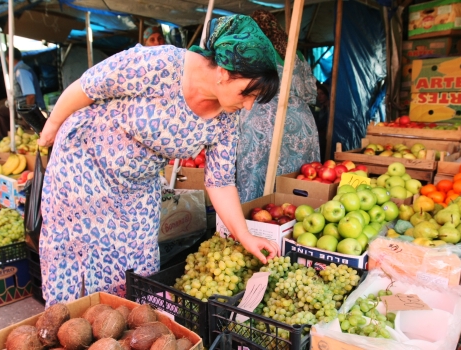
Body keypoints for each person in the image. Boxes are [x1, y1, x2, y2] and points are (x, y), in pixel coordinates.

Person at [36, 15, 280, 306]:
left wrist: (245, 235)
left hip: (136, 188)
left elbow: (221, 180)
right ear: (225, 73)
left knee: (135, 268)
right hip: (84, 167)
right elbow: (87, 88)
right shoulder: (158, 64)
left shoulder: (227, 119)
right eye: (248, 93)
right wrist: (51, 128)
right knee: (76, 255)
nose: (249, 105)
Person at [235, 10, 321, 203]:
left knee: (257, 178)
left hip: (261, 121)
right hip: (301, 124)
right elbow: (310, 94)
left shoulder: (253, 50)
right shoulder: (294, 52)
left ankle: (255, 220)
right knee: (297, 180)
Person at [0, 48, 46, 137]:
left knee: (1, 111)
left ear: (8, 58)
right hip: (22, 106)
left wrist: (28, 117)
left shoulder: (21, 71)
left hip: (32, 109)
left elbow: (30, 96)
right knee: (3, 110)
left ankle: (4, 137)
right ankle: (8, 137)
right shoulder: (19, 70)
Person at [314, 83, 330, 161]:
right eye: (318, 94)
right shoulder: (321, 108)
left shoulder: (329, 109)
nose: (319, 96)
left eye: (322, 94)